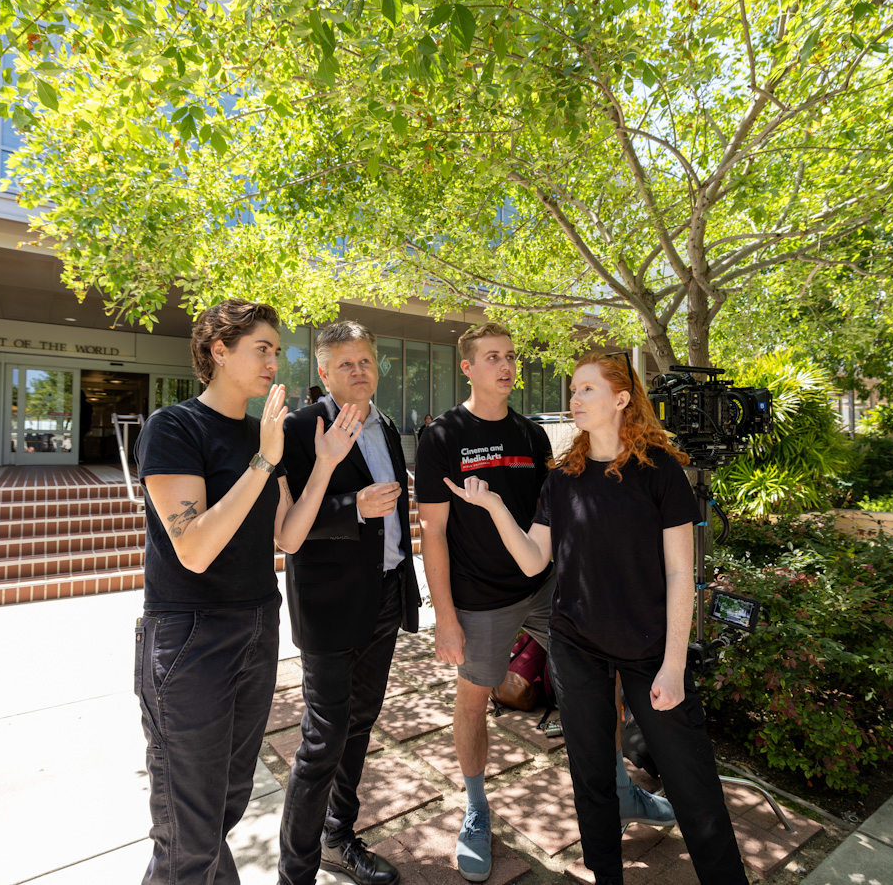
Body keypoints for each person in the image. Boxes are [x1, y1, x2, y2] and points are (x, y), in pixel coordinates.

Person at [444, 352, 749, 885]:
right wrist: (493, 507)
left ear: (622, 399)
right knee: (590, 779)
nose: (574, 399)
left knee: (691, 780)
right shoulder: (563, 479)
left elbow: (682, 576)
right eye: (574, 390)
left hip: (650, 649)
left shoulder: (660, 474)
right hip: (576, 645)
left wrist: (674, 666)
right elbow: (535, 560)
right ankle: (606, 875)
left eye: (587, 390)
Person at [416, 325, 672, 883]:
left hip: (545, 586)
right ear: (468, 368)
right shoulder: (442, 435)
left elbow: (549, 521)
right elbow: (432, 532)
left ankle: (622, 791)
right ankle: (477, 809)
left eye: (510, 357)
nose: (506, 366)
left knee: (596, 680)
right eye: (491, 358)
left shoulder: (532, 435)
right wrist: (446, 618)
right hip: (480, 598)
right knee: (473, 701)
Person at [134, 299, 366, 885]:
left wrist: (322, 465)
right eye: (261, 348)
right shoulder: (175, 427)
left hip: (257, 624)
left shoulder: (263, 435)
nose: (274, 360)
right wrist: (264, 461)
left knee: (225, 804)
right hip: (189, 636)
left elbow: (287, 536)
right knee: (188, 830)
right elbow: (193, 547)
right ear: (218, 350)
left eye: (276, 349)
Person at [277, 321, 420, 885]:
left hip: (384, 595)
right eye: (345, 364)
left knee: (360, 724)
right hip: (330, 606)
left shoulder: (384, 425)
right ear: (323, 372)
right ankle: (296, 872)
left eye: (365, 361)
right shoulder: (299, 428)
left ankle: (339, 836)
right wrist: (353, 505)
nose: (358, 372)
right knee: (322, 741)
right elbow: (288, 526)